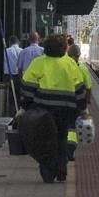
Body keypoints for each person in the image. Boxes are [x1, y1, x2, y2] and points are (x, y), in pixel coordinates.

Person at [20, 34, 86, 183]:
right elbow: (79, 88)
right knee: (62, 138)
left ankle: (48, 170)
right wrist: (81, 107)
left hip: (43, 110)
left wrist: (27, 105)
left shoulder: (38, 63)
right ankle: (62, 169)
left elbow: (27, 86)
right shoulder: (70, 64)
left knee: (45, 140)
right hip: (66, 110)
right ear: (64, 48)